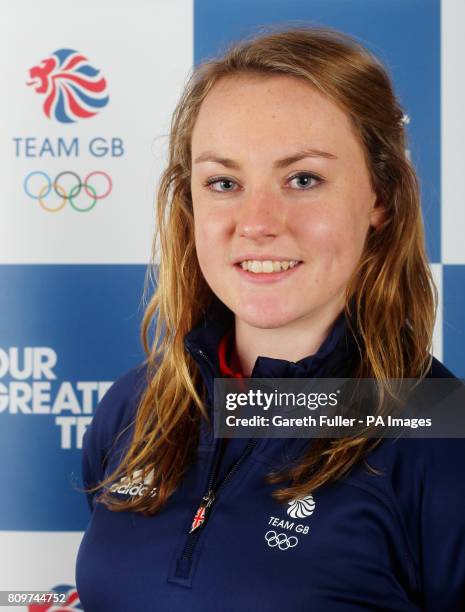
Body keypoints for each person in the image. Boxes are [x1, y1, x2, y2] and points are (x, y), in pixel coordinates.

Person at [75, 26, 465, 611]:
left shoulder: (441, 437)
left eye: (302, 179)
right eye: (224, 182)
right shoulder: (136, 406)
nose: (257, 221)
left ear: (380, 198)